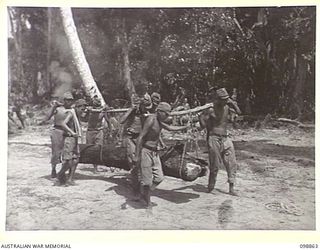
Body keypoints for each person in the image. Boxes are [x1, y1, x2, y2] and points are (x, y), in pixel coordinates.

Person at [133, 102, 189, 208]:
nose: (167, 116)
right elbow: (141, 137)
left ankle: (144, 193)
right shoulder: (151, 119)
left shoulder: (159, 120)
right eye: (166, 114)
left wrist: (184, 127)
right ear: (159, 111)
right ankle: (147, 201)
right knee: (147, 181)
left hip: (155, 152)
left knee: (159, 178)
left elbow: (170, 128)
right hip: (146, 152)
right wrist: (136, 155)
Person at [199, 88, 241, 196]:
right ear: (217, 99)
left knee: (231, 163)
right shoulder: (211, 109)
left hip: (225, 137)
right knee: (215, 164)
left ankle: (231, 188)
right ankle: (211, 187)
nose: (225, 101)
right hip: (214, 137)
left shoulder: (227, 107)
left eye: (226, 99)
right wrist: (203, 117)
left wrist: (233, 103)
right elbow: (203, 124)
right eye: (223, 99)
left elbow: (239, 113)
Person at [39, 96, 68, 178]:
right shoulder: (57, 109)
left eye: (70, 100)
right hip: (57, 130)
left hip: (68, 131)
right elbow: (47, 118)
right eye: (67, 99)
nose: (68, 101)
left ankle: (63, 171)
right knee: (56, 152)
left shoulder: (71, 109)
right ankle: (53, 169)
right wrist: (53, 106)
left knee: (67, 152)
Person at [56, 92, 82, 186]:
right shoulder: (70, 113)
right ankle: (60, 175)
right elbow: (63, 124)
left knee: (76, 159)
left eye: (71, 100)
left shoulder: (74, 112)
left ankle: (70, 178)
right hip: (69, 138)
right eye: (68, 100)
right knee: (68, 160)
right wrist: (72, 132)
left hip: (74, 139)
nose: (83, 110)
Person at [85, 96, 110, 173]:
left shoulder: (102, 111)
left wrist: (111, 130)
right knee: (90, 149)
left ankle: (96, 167)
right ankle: (93, 165)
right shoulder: (90, 110)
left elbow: (108, 120)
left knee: (98, 148)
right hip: (90, 131)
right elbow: (83, 117)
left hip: (99, 131)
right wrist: (87, 111)